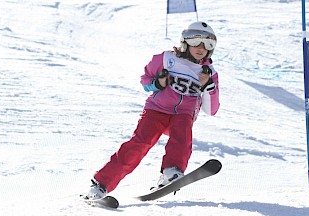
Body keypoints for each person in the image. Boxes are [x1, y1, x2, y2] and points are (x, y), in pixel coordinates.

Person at [84, 21, 220, 200]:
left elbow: (211, 110)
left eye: (208, 44)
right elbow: (145, 81)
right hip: (157, 110)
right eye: (195, 41)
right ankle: (101, 185)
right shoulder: (166, 59)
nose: (201, 48)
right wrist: (157, 83)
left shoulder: (209, 73)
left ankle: (172, 171)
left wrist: (208, 86)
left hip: (184, 114)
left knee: (182, 138)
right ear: (184, 42)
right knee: (138, 145)